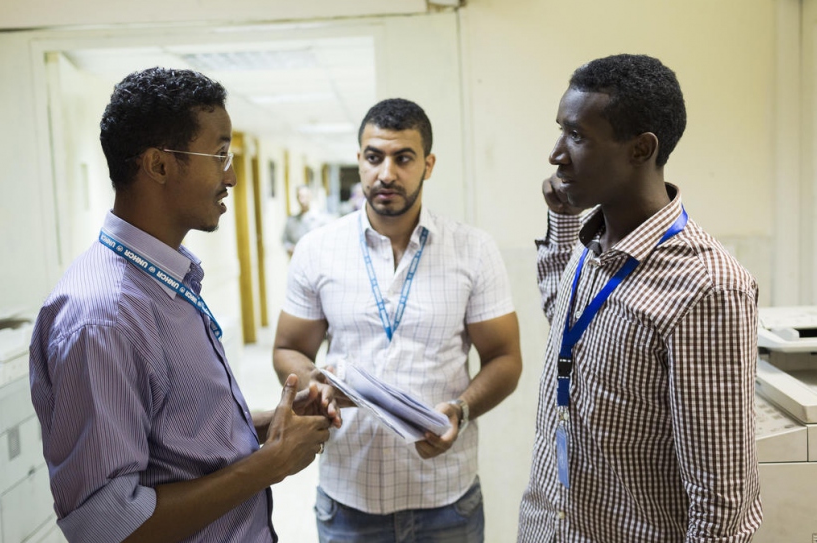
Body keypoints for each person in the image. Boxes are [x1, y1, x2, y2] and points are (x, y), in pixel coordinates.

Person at [29, 67, 336, 543]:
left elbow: (176, 440)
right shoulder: (103, 316)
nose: (231, 175)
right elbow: (106, 525)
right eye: (219, 155)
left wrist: (269, 424)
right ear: (159, 165)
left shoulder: (167, 279)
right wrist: (267, 466)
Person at [516, 54, 762, 542]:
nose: (556, 154)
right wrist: (564, 216)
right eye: (561, 131)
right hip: (548, 527)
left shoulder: (707, 287)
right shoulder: (595, 241)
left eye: (578, 136)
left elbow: (720, 499)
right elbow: (564, 318)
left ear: (640, 149)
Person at [273, 98, 523, 543]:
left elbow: (505, 359)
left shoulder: (473, 249)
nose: (386, 173)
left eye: (402, 158)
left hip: (447, 497)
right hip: (350, 494)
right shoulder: (317, 249)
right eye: (374, 157)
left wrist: (461, 412)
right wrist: (317, 383)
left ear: (427, 164)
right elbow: (288, 348)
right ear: (360, 160)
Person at [282, 184, 332, 255]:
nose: (302, 200)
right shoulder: (291, 221)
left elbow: (328, 239)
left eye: (305, 196)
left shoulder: (321, 218)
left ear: (310, 196)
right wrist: (290, 248)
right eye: (300, 197)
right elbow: (285, 239)